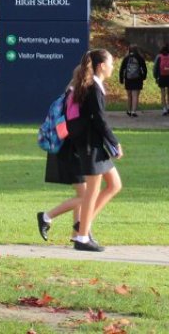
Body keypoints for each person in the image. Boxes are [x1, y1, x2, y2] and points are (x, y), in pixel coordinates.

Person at [67, 49, 123, 252]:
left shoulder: (92, 86)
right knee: (92, 191)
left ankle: (83, 224)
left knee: (115, 184)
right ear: (101, 66)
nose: (112, 67)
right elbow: (99, 120)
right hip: (91, 145)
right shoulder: (93, 88)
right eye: (111, 63)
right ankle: (82, 236)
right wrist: (114, 142)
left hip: (94, 145)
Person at [37, 71, 86, 242]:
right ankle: (47, 216)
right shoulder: (74, 98)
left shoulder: (67, 96)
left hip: (67, 149)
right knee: (85, 196)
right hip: (72, 150)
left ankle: (77, 234)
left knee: (83, 192)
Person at [119, 45, 148, 117]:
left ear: (129, 50)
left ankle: (129, 110)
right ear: (137, 50)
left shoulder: (126, 58)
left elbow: (122, 69)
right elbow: (144, 69)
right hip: (137, 79)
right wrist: (143, 77)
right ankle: (133, 112)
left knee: (129, 96)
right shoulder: (140, 58)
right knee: (135, 96)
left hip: (128, 79)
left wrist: (121, 79)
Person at [154, 44, 169, 115]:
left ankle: (164, 109)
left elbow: (155, 68)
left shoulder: (159, 56)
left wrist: (155, 77)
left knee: (163, 93)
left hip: (161, 76)